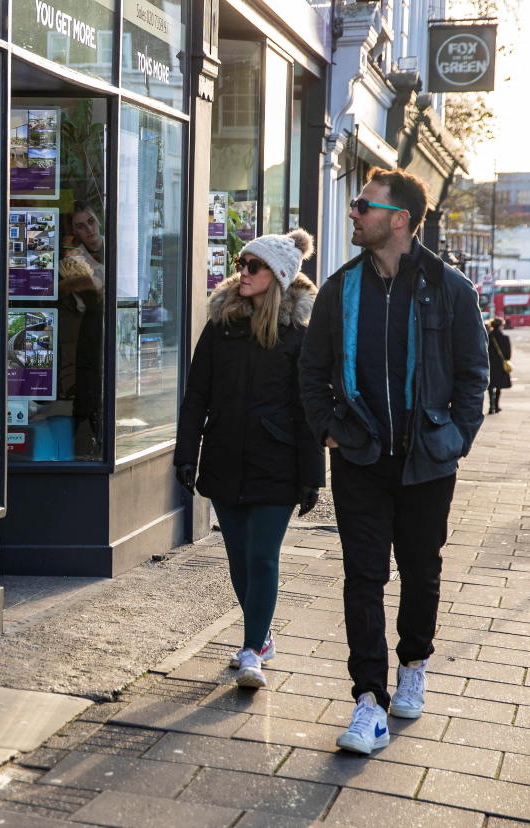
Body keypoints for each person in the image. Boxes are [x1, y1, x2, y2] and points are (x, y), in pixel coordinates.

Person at [297, 167, 488, 754]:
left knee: (421, 569)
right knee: (363, 574)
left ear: (399, 218)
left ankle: (414, 662)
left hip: (427, 459)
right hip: (360, 458)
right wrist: (330, 428)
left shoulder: (449, 287)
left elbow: (471, 376)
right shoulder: (340, 287)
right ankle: (367, 702)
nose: (353, 213)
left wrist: (453, 438)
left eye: (363, 205)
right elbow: (311, 371)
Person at [175, 229, 324, 689]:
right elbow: (196, 394)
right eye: (241, 263)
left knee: (262, 557)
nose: (243, 272)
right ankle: (262, 635)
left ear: (277, 276)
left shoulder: (297, 336)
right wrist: (186, 454)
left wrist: (312, 476)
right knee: (239, 560)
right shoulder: (220, 328)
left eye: (253, 266)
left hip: (276, 462)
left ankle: (251, 649)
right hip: (224, 457)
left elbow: (307, 410)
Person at [486, 317, 512, 413]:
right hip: (500, 365)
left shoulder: (488, 337)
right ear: (501, 326)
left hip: (489, 364)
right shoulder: (505, 338)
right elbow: (508, 355)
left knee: (490, 385)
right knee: (498, 386)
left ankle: (490, 406)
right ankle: (496, 406)